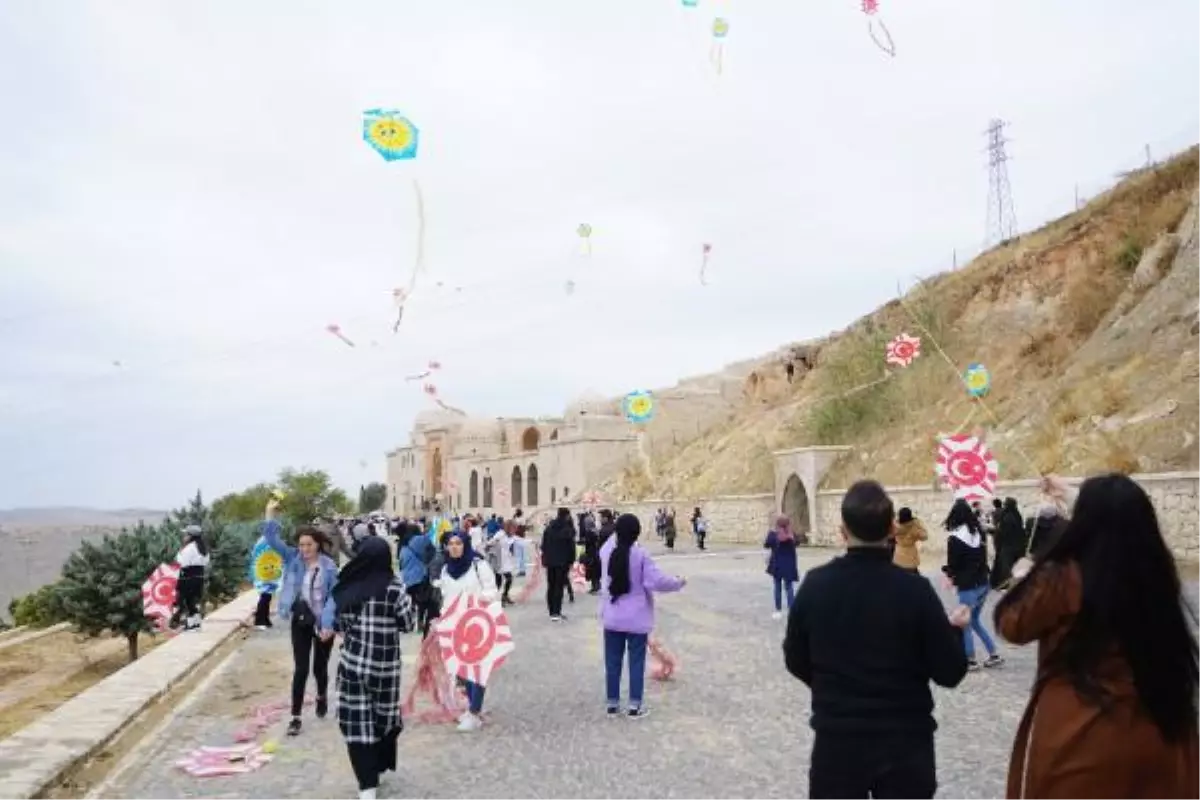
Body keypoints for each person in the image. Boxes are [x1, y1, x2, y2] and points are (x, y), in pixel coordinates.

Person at [994, 474, 1200, 798]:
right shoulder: (1157, 572)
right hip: (1156, 730)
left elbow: (1012, 625)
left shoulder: (1061, 576)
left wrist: (1027, 574)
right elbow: (1121, 519)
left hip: (1080, 736)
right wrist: (1085, 499)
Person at [784, 480, 969, 799]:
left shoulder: (816, 586)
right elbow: (950, 672)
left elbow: (795, 658)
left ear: (843, 531)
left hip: (837, 743)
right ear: (892, 528)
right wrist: (954, 631)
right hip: (905, 744)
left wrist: (831, 685)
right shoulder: (915, 592)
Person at [332, 536, 415, 800]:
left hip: (353, 665)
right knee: (383, 719)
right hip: (385, 668)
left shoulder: (348, 586)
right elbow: (409, 623)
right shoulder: (394, 587)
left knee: (357, 722)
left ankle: (366, 785)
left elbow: (339, 624)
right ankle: (377, 767)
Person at [261, 498, 339, 737]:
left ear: (317, 545)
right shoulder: (293, 559)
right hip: (300, 621)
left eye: (309, 545)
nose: (304, 549)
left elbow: (334, 597)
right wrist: (270, 515)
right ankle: (295, 717)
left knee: (319, 667)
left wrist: (327, 625)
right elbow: (272, 541)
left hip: (323, 623)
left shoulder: (329, 567)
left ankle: (322, 695)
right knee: (301, 668)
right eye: (301, 545)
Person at [600, 514, 686, 719]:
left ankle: (612, 704)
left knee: (612, 662)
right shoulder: (640, 555)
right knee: (636, 662)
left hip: (612, 615)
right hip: (636, 618)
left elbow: (611, 542)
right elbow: (656, 582)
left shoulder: (606, 552)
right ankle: (634, 706)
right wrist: (678, 582)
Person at [437, 531, 498, 732]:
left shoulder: (478, 565)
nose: (454, 547)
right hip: (455, 625)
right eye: (450, 543)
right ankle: (474, 707)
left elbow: (492, 590)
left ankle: (474, 711)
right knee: (462, 669)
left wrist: (477, 601)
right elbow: (446, 596)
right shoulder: (446, 569)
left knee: (477, 669)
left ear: (466, 545)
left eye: (458, 543)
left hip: (477, 623)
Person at [943, 498, 1004, 671]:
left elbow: (953, 563)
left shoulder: (955, 539)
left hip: (968, 585)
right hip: (983, 582)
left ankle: (970, 660)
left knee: (966, 623)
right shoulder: (979, 533)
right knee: (975, 620)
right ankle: (994, 653)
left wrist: (948, 574)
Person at [398, 522, 437, 638]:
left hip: (407, 579)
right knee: (423, 601)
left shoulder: (403, 544)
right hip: (420, 576)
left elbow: (400, 563)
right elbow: (432, 548)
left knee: (411, 601)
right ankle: (420, 623)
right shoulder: (421, 539)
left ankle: (411, 621)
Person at [541, 508, 576, 621]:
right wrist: (571, 560)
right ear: (567, 516)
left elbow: (543, 545)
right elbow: (571, 547)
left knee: (551, 585)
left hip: (550, 561)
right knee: (559, 586)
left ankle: (552, 611)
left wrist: (546, 559)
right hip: (562, 562)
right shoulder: (567, 529)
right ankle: (557, 611)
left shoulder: (549, 528)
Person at [172, 525, 209, 631]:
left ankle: (192, 625)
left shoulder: (190, 548)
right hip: (199, 576)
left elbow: (183, 563)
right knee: (192, 601)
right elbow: (206, 562)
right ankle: (196, 624)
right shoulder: (202, 548)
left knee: (187, 601)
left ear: (191, 536)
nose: (184, 536)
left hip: (188, 576)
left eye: (186, 534)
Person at [763, 514, 799, 620]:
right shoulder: (791, 535)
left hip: (777, 565)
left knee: (777, 587)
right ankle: (791, 611)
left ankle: (778, 611)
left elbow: (766, 545)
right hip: (789, 565)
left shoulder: (773, 535)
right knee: (789, 588)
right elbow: (798, 542)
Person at [990, 497, 1025, 588]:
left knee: (1006, 565)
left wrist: (993, 531)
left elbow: (1003, 532)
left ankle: (1007, 584)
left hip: (1007, 545)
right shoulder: (1017, 515)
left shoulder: (1006, 517)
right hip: (1018, 545)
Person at [486, 521, 517, 605]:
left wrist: (532, 542)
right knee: (498, 582)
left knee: (509, 579)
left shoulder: (511, 536)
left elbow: (519, 540)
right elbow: (490, 542)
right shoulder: (500, 534)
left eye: (514, 528)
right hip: (499, 560)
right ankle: (495, 599)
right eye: (512, 528)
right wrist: (490, 545)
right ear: (508, 527)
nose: (514, 530)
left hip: (506, 559)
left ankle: (505, 595)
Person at [892, 507, 927, 574]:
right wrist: (918, 525)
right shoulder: (914, 527)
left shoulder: (896, 525)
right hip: (911, 556)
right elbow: (924, 537)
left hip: (898, 555)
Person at [580, 511, 601, 595]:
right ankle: (596, 586)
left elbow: (589, 542)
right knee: (594, 570)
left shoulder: (589, 532)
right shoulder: (595, 531)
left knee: (592, 571)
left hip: (591, 554)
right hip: (595, 553)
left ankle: (595, 587)